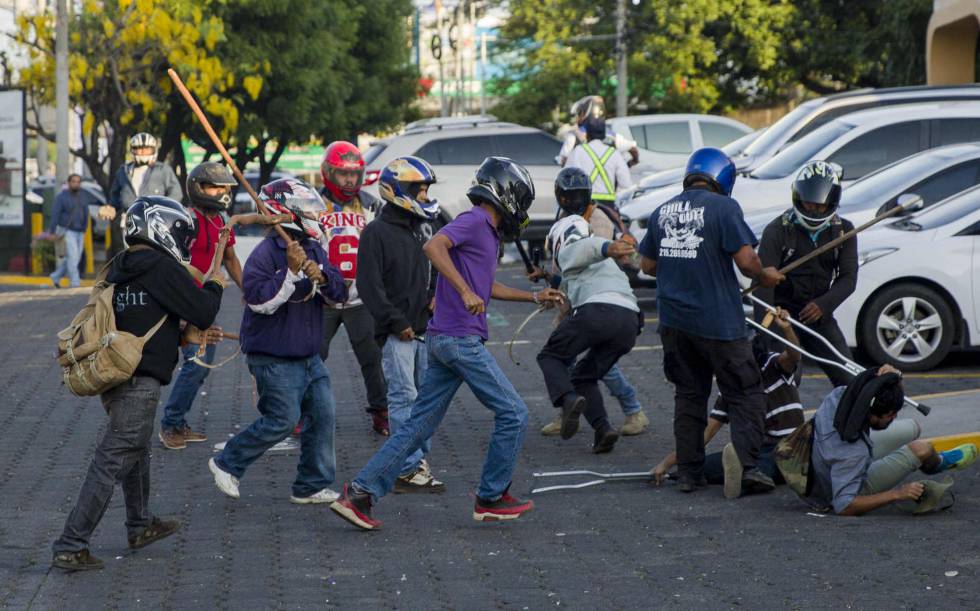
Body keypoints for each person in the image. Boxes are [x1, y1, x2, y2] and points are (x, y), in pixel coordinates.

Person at [330, 157, 564, 530]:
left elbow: (486, 289)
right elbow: (434, 248)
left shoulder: (487, 232)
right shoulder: (474, 220)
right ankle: (490, 496)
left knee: (415, 427)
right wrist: (463, 289)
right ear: (504, 193)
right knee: (514, 414)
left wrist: (534, 298)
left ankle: (359, 494)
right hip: (458, 341)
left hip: (443, 340)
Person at [51, 196, 224, 571]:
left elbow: (143, 313)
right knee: (113, 457)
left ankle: (140, 524)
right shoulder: (161, 266)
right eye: (180, 232)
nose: (184, 241)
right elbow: (203, 310)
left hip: (116, 372)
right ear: (161, 228)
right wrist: (216, 285)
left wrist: (180, 335)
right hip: (139, 378)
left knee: (137, 448)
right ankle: (71, 544)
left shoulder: (122, 266)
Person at [638, 147, 784, 496]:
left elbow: (646, 265)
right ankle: (747, 468)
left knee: (689, 397)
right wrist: (765, 276)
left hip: (674, 323)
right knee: (745, 392)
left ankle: (689, 473)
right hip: (719, 323)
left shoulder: (662, 210)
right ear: (723, 179)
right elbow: (747, 262)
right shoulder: (724, 208)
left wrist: (682, 264)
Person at [208, 178, 347, 504]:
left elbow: (339, 292)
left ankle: (311, 484)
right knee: (282, 420)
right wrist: (291, 273)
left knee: (323, 415)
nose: (315, 217)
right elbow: (258, 301)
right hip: (273, 357)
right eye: (308, 211)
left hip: (309, 356)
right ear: (286, 214)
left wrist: (322, 277)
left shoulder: (313, 249)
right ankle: (227, 462)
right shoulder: (266, 254)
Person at [535, 167, 649, 439]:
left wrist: (605, 247)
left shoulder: (573, 227)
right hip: (630, 319)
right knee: (584, 374)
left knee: (551, 357)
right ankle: (603, 431)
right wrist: (548, 280)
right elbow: (573, 275)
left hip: (597, 311)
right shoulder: (580, 222)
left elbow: (580, 249)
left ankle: (569, 403)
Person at [357, 155, 445, 492]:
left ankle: (418, 459)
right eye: (417, 189)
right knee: (404, 397)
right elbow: (370, 286)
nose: (424, 195)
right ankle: (407, 466)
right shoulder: (376, 232)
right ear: (397, 189)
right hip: (398, 334)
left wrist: (436, 295)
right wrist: (395, 322)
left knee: (425, 397)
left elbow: (437, 267)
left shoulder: (425, 227)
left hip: (425, 329)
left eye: (425, 189)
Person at [651, 308, 803, 489]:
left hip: (790, 446)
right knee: (700, 466)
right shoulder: (730, 381)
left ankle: (744, 477)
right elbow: (707, 431)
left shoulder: (773, 365)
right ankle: (738, 474)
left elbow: (794, 356)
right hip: (757, 449)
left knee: (769, 466)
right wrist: (668, 464)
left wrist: (787, 329)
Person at [158, 162, 250, 450]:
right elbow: (172, 266)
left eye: (224, 187)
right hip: (184, 304)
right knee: (195, 365)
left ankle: (176, 421)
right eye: (214, 186)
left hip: (205, 304)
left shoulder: (221, 221)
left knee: (199, 365)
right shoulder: (186, 221)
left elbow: (231, 259)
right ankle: (170, 424)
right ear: (198, 188)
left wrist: (249, 291)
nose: (221, 192)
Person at [805, 364, 977, 516]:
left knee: (912, 427)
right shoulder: (854, 454)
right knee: (921, 449)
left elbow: (871, 388)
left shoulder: (839, 396)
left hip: (830, 454)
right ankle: (939, 463)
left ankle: (932, 461)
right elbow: (843, 506)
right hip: (841, 484)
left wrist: (894, 376)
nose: (894, 417)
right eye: (890, 415)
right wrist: (897, 494)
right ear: (873, 414)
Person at [755, 160, 857, 389]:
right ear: (797, 198)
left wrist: (823, 304)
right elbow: (762, 285)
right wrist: (764, 331)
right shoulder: (777, 230)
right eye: (808, 204)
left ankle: (844, 424)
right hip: (782, 318)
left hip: (819, 315)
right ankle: (777, 424)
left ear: (832, 202)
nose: (813, 210)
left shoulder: (844, 231)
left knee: (850, 380)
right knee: (786, 380)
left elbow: (848, 279)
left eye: (820, 206)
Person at [316, 141, 391, 436]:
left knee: (372, 358)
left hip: (360, 297)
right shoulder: (312, 204)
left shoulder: (372, 204)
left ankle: (381, 411)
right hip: (321, 297)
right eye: (342, 174)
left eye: (354, 174)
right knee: (311, 357)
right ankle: (301, 411)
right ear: (327, 173)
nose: (349, 180)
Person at [103, 133, 182, 258]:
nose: (143, 152)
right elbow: (116, 196)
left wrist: (164, 212)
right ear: (133, 150)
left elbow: (176, 193)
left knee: (155, 256)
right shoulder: (123, 171)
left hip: (156, 222)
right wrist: (111, 207)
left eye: (147, 148)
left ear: (154, 150)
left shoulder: (162, 170)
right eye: (139, 148)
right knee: (133, 256)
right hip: (130, 221)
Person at [565, 115, 633, 206]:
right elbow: (626, 184)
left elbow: (567, 178)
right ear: (604, 134)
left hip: (583, 207)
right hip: (608, 208)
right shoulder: (614, 153)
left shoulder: (578, 151)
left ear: (587, 133)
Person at [557, 95, 639, 168]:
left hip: (582, 183)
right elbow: (633, 148)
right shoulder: (613, 137)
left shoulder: (573, 136)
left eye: (579, 113)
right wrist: (631, 162)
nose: (577, 117)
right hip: (607, 183)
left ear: (585, 113)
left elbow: (563, 160)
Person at [49, 174, 95, 289]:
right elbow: (55, 214)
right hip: (67, 231)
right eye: (74, 181)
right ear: (69, 183)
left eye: (78, 182)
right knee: (73, 257)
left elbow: (86, 212)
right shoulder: (61, 197)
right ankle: (75, 283)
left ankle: (55, 276)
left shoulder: (83, 196)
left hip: (80, 231)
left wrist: (85, 227)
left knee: (74, 258)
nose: (76, 184)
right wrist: (52, 231)